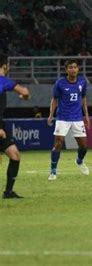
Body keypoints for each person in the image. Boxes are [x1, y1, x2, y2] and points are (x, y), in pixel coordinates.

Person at [47, 59, 90, 181]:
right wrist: (51, 115)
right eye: (70, 67)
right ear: (66, 70)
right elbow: (54, 100)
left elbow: (83, 99)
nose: (73, 69)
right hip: (63, 117)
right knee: (58, 143)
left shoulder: (82, 82)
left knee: (84, 146)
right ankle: (53, 171)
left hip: (77, 118)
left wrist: (86, 115)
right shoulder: (60, 83)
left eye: (75, 67)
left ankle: (79, 161)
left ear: (78, 69)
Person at [0, 53, 31, 199]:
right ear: (5, 66)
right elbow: (25, 92)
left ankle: (8, 192)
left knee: (14, 155)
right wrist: (24, 96)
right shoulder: (2, 80)